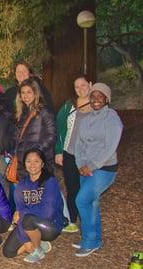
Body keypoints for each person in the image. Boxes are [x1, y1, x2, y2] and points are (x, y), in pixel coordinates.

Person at [73, 83, 122, 257]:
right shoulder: (86, 120)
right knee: (91, 203)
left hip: (104, 169)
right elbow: (78, 144)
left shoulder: (112, 118)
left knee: (82, 200)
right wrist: (80, 164)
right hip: (84, 168)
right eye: (93, 96)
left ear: (107, 99)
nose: (95, 100)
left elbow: (110, 147)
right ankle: (94, 239)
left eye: (100, 96)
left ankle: (89, 241)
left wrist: (91, 166)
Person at [2, 148, 63, 263]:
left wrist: (22, 213)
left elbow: (48, 211)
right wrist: (25, 241)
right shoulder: (21, 185)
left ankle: (37, 249)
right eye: (28, 161)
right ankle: (38, 242)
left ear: (42, 164)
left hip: (50, 225)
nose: (32, 165)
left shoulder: (50, 181)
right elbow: (20, 210)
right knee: (8, 252)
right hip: (28, 223)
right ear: (24, 164)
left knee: (28, 219)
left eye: (36, 161)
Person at [55, 76, 92, 233]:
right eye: (77, 87)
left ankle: (88, 221)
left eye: (83, 85)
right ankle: (71, 219)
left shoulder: (97, 104)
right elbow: (59, 127)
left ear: (90, 85)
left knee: (87, 188)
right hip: (70, 153)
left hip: (89, 156)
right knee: (72, 187)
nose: (80, 89)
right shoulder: (68, 106)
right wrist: (58, 151)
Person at [12, 78, 56, 181]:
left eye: (29, 92)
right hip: (23, 163)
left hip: (39, 162)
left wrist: (37, 150)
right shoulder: (22, 113)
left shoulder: (44, 111)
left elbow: (52, 135)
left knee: (40, 194)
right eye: (23, 93)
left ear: (35, 93)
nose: (25, 96)